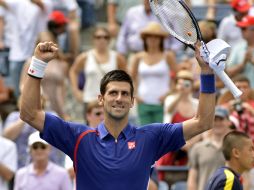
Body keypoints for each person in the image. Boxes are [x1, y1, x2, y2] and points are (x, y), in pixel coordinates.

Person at [20, 41, 224, 189]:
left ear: (132, 101)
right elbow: (29, 114)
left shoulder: (151, 137)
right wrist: (38, 63)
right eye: (113, 93)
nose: (119, 98)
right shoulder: (78, 137)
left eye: (125, 93)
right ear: (101, 99)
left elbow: (203, 122)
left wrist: (206, 72)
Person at [69, 27, 126, 120]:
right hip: (90, 99)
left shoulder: (117, 57)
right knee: (90, 131)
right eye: (98, 37)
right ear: (93, 39)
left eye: (105, 37)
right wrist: (76, 90)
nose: (102, 40)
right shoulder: (85, 56)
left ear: (109, 40)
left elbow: (126, 76)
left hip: (111, 101)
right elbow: (73, 71)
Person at [130, 22, 179, 125]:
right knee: (144, 134)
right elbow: (131, 78)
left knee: (161, 134)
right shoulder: (138, 57)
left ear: (161, 39)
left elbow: (178, 77)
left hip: (163, 102)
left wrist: (169, 93)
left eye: (156, 37)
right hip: (143, 102)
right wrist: (135, 95)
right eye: (149, 37)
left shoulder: (168, 56)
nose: (152, 40)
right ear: (145, 39)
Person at [187, 106, 232, 190]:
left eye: (221, 119)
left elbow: (245, 178)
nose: (218, 123)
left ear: (229, 122)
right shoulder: (198, 148)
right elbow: (192, 179)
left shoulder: (235, 147)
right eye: (215, 120)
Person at [226, 15, 254, 88]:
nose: (241, 31)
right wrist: (243, 63)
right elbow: (228, 72)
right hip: (242, 93)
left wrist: (252, 61)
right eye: (241, 28)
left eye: (244, 28)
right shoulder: (238, 48)